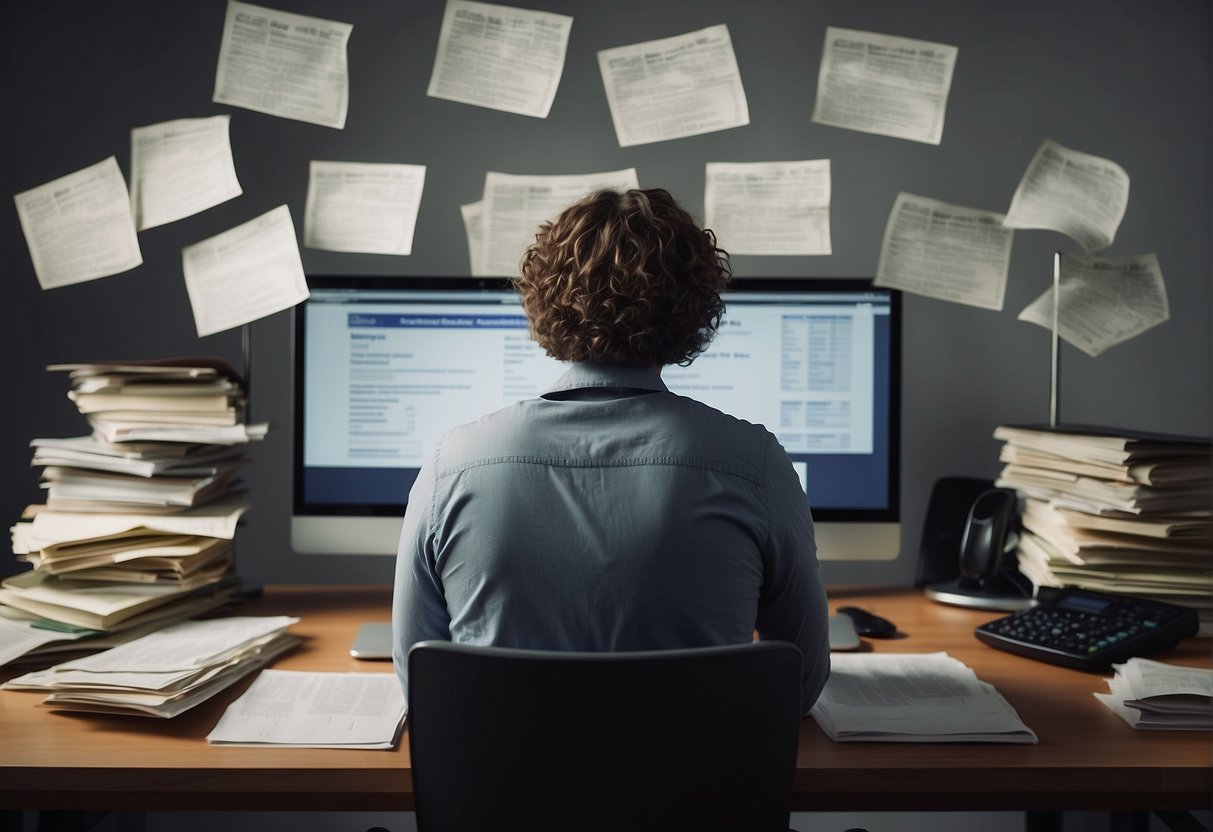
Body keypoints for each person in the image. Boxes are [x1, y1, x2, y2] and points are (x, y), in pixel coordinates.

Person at [392, 187, 829, 714]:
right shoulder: (754, 463)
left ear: (546, 300)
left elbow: (422, 686)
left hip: (507, 793)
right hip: (700, 793)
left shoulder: (453, 465)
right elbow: (799, 686)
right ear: (692, 310)